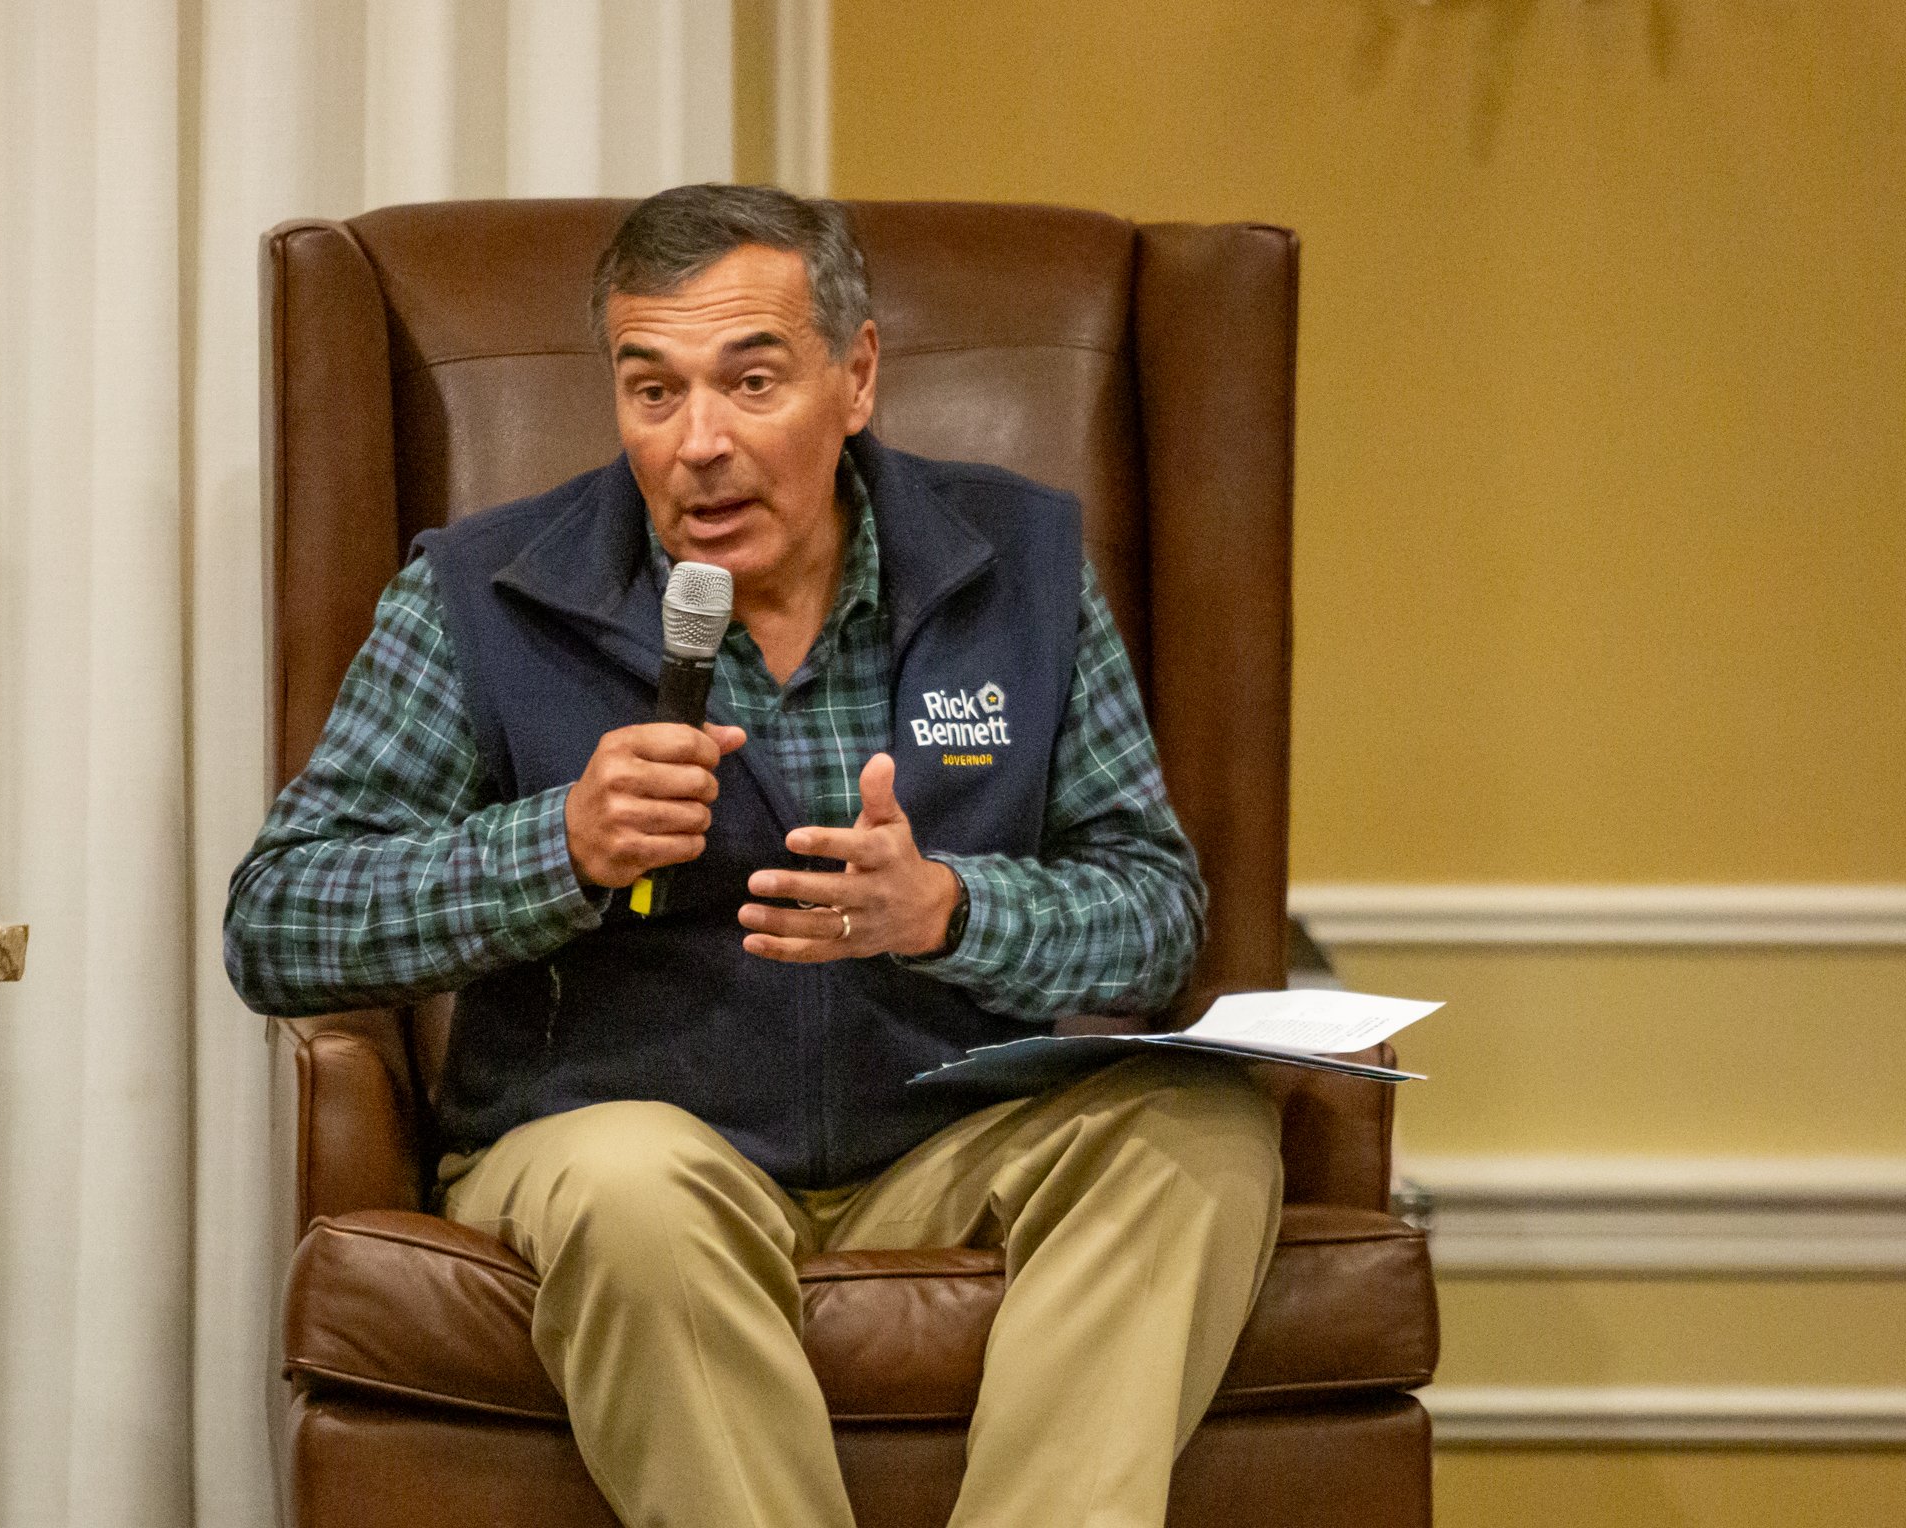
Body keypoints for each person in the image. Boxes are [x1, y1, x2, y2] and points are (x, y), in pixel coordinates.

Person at [226, 184, 1283, 1528]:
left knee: (1206, 1133)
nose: (699, 444)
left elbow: (1154, 909)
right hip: (622, 1146)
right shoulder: (483, 595)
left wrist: (950, 910)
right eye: (652, 391)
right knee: (634, 1189)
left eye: (752, 381)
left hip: (942, 1140)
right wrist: (555, 849)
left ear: (857, 378)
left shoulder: (1016, 568)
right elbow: (279, 920)